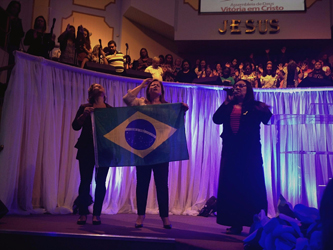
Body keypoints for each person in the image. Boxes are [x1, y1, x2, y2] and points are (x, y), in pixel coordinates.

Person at [123, 78, 188, 229]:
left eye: (157, 85)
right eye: (152, 85)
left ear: (161, 90)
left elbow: (176, 124)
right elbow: (127, 99)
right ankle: (140, 216)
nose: (154, 86)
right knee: (142, 184)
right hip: (143, 150)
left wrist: (182, 112)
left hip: (161, 151)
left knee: (162, 185)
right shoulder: (140, 102)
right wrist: (141, 85)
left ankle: (165, 217)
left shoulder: (167, 106)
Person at [213, 80, 272, 235]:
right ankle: (235, 223)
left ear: (248, 89)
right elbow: (216, 119)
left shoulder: (255, 105)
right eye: (236, 86)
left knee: (252, 184)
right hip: (231, 151)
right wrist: (226, 102)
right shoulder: (229, 106)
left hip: (250, 152)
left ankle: (257, 221)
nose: (237, 88)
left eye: (241, 86)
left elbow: (269, 120)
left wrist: (265, 109)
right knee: (232, 185)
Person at [72, 83, 112, 225]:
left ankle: (96, 214)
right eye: (94, 86)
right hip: (86, 149)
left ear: (104, 91)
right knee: (85, 181)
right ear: (90, 92)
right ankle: (83, 213)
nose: (97, 86)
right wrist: (84, 115)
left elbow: (115, 130)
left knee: (101, 182)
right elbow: (75, 126)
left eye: (99, 85)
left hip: (104, 150)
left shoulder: (109, 109)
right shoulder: (84, 107)